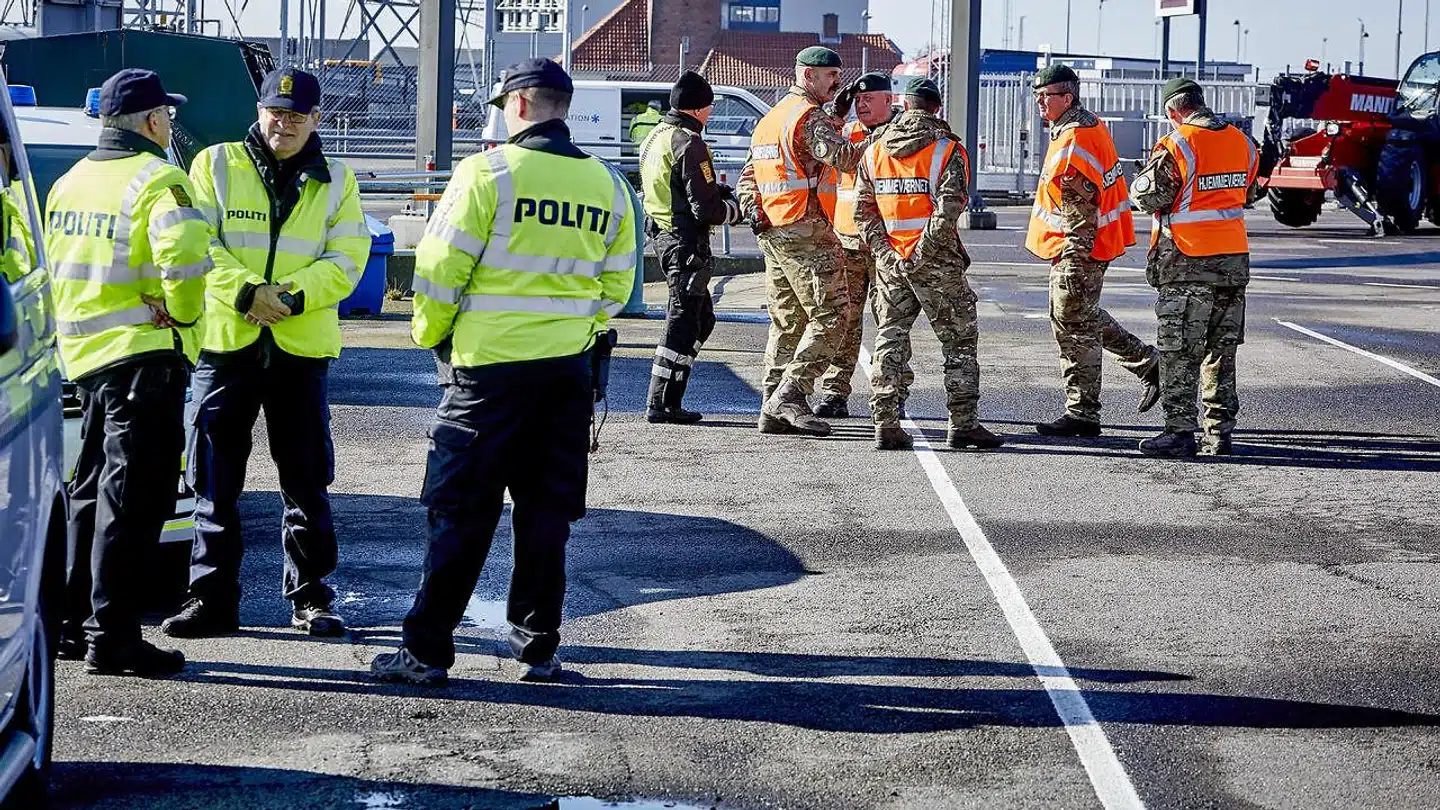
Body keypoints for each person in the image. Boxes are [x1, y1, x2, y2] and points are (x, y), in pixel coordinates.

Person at [370, 58, 637, 686]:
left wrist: (432, 335)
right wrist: (572, 329)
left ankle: (428, 652)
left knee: (460, 514)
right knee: (546, 515)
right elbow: (618, 285)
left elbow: (438, 271)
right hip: (566, 375)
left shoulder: (485, 173)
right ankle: (538, 648)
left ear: (516, 105)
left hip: (485, 376)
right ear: (562, 108)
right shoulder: (605, 184)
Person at [161, 68, 370, 639]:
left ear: (315, 119)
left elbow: (349, 257)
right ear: (259, 111)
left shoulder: (337, 180)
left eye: (297, 115)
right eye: (276, 112)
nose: (284, 123)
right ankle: (210, 601)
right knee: (214, 482)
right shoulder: (214, 164)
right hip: (228, 344)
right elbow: (199, 241)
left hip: (299, 349)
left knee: (305, 480)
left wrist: (293, 298)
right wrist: (247, 292)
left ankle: (310, 597)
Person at [47, 69, 210, 676]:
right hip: (144, 358)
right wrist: (183, 320)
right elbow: (188, 266)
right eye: (166, 114)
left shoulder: (69, 183)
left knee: (88, 493)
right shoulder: (161, 180)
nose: (170, 123)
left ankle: (70, 624)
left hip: (83, 358)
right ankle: (113, 636)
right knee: (135, 503)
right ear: (152, 121)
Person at [856, 79, 1003, 452]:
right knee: (959, 342)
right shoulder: (947, 149)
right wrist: (921, 251)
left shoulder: (874, 151)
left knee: (890, 336)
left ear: (905, 106)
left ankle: (885, 422)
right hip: (936, 263)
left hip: (891, 263)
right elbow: (950, 207)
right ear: (936, 109)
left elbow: (863, 212)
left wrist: (890, 253)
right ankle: (963, 424)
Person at [738, 47, 872, 437]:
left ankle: (772, 405)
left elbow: (750, 176)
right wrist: (880, 138)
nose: (837, 82)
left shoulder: (771, 118)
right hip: (806, 230)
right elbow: (846, 158)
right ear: (807, 75)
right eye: (831, 75)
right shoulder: (808, 116)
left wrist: (755, 212)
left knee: (788, 321)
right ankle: (791, 395)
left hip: (774, 229)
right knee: (835, 315)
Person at [1027, 64, 1160, 438]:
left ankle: (1084, 412)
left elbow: (1080, 212)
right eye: (1037, 95)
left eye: (1046, 95)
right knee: (1078, 318)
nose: (1039, 101)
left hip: (1079, 248)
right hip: (1085, 246)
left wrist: (1074, 260)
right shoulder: (1086, 126)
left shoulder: (1075, 140)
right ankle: (1147, 366)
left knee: (1074, 323)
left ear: (1067, 97)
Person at [1130, 78, 1261, 458]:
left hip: (1188, 263)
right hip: (1232, 263)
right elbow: (1248, 192)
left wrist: (1140, 179)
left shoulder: (1179, 143)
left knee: (1178, 352)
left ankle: (1179, 432)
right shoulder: (1242, 142)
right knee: (1221, 351)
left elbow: (1150, 194)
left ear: (1173, 111)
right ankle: (1219, 433)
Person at [640, 70, 744, 423]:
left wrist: (717, 192)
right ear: (700, 109)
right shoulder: (689, 142)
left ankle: (671, 396)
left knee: (701, 319)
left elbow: (678, 190)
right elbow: (705, 208)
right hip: (685, 243)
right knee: (683, 319)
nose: (711, 113)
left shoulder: (656, 136)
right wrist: (736, 209)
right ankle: (660, 403)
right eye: (710, 107)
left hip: (663, 235)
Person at [815, 71, 912, 420]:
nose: (863, 105)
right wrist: (836, 115)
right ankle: (834, 391)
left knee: (891, 320)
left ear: (890, 101)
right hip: (849, 243)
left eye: (870, 99)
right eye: (858, 100)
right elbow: (821, 144)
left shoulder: (902, 136)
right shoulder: (849, 133)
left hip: (886, 243)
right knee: (846, 320)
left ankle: (895, 389)